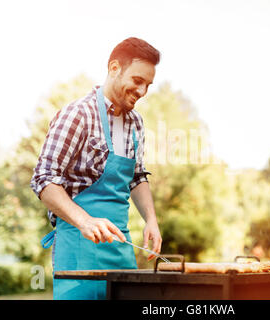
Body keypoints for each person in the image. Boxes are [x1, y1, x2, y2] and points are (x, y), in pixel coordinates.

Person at [30, 37, 162, 300]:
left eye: (148, 85)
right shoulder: (77, 114)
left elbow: (136, 177)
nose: (143, 91)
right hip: (79, 248)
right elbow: (44, 181)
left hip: (120, 247)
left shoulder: (136, 122)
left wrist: (151, 219)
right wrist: (85, 221)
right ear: (114, 68)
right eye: (137, 81)